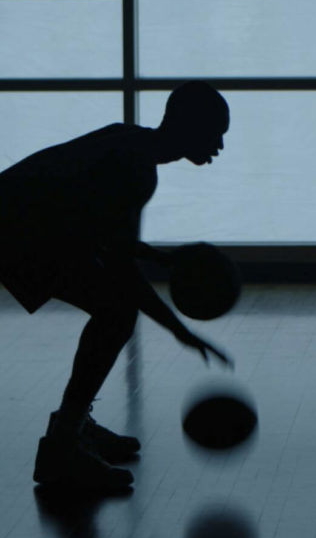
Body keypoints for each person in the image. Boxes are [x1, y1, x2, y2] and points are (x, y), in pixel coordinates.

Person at [0, 80, 232, 492]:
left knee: (114, 307)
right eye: (216, 132)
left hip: (24, 227)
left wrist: (164, 259)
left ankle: (71, 429)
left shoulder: (130, 143)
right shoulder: (136, 169)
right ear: (188, 126)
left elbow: (108, 238)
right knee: (117, 310)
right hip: (15, 233)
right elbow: (122, 267)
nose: (219, 146)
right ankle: (63, 446)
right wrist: (181, 331)